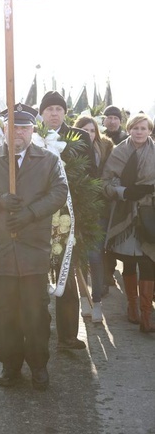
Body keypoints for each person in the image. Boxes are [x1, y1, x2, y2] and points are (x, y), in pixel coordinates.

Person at [0, 103, 67, 390]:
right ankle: (10, 365)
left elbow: (60, 191)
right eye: (13, 127)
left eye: (24, 127)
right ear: (4, 130)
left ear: (33, 130)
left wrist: (31, 212)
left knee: (35, 313)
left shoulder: (47, 160)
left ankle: (38, 366)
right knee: (4, 312)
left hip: (33, 248)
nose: (18, 132)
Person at [39, 90, 95, 349]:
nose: (53, 113)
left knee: (67, 276)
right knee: (37, 278)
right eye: (49, 109)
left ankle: (68, 335)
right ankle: (37, 331)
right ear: (41, 113)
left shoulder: (79, 136)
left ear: (65, 113)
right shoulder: (33, 136)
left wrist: (82, 220)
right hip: (38, 218)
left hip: (71, 218)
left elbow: (90, 177)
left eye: (58, 109)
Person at [102, 113, 155, 333]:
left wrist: (148, 190)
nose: (139, 132)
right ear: (129, 129)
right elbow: (105, 181)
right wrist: (124, 192)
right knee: (129, 261)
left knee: (148, 260)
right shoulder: (119, 151)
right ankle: (132, 306)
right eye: (135, 128)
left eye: (144, 128)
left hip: (149, 213)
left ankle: (147, 314)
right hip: (125, 212)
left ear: (150, 131)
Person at [74, 115, 114, 322]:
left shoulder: (106, 150)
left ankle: (97, 301)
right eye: (84, 130)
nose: (89, 135)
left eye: (92, 131)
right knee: (79, 258)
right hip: (76, 208)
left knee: (95, 256)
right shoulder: (70, 149)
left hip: (98, 209)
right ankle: (84, 298)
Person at [102, 105, 128, 289]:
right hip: (104, 191)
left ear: (120, 121)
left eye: (115, 118)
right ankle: (107, 272)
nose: (112, 121)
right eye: (109, 117)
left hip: (123, 193)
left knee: (122, 232)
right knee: (106, 234)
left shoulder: (126, 139)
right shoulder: (98, 137)